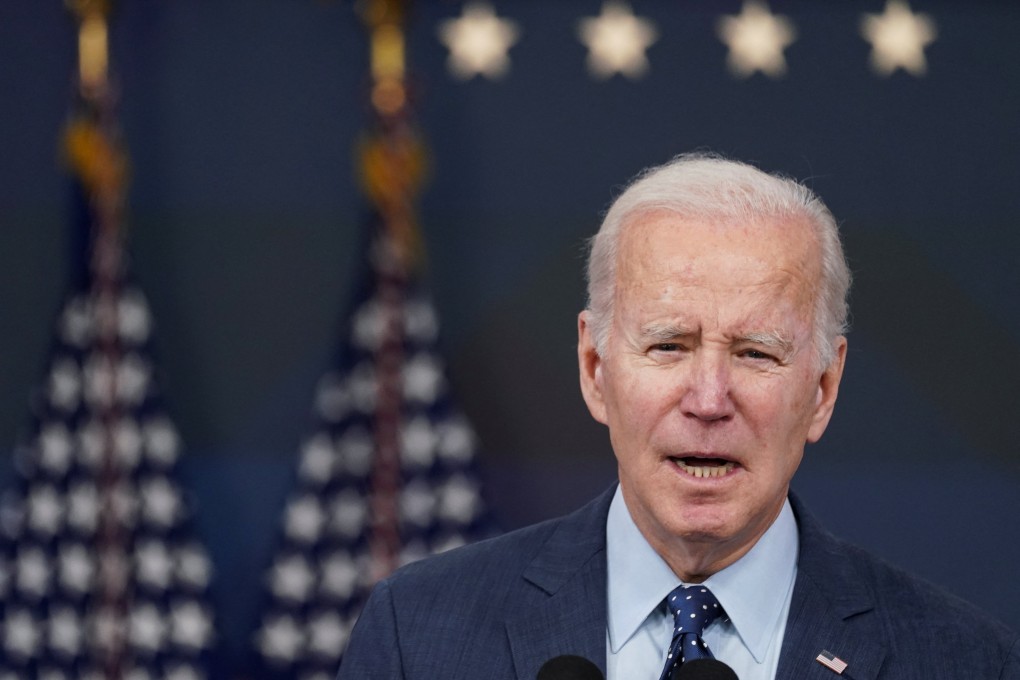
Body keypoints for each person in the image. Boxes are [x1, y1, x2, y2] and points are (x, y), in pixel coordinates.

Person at [336, 153, 1019, 679]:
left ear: (822, 388)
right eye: (668, 346)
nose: (709, 400)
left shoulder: (965, 661)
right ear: (595, 368)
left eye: (756, 353)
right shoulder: (417, 635)